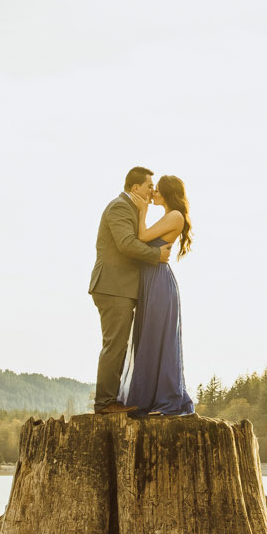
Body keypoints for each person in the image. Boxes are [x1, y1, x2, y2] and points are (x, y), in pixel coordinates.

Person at [90, 167, 172, 415]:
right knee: (115, 345)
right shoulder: (119, 207)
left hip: (121, 288)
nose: (152, 190)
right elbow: (126, 244)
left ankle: (110, 400)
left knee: (119, 345)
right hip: (113, 287)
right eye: (149, 186)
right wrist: (156, 255)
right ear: (135, 188)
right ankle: (105, 403)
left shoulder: (131, 210)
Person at [121, 174, 194, 417]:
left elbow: (142, 237)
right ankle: (151, 399)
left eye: (157, 190)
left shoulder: (175, 216)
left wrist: (142, 210)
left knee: (159, 337)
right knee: (149, 337)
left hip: (160, 283)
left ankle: (167, 401)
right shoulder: (167, 216)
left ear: (167, 193)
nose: (153, 193)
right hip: (151, 281)